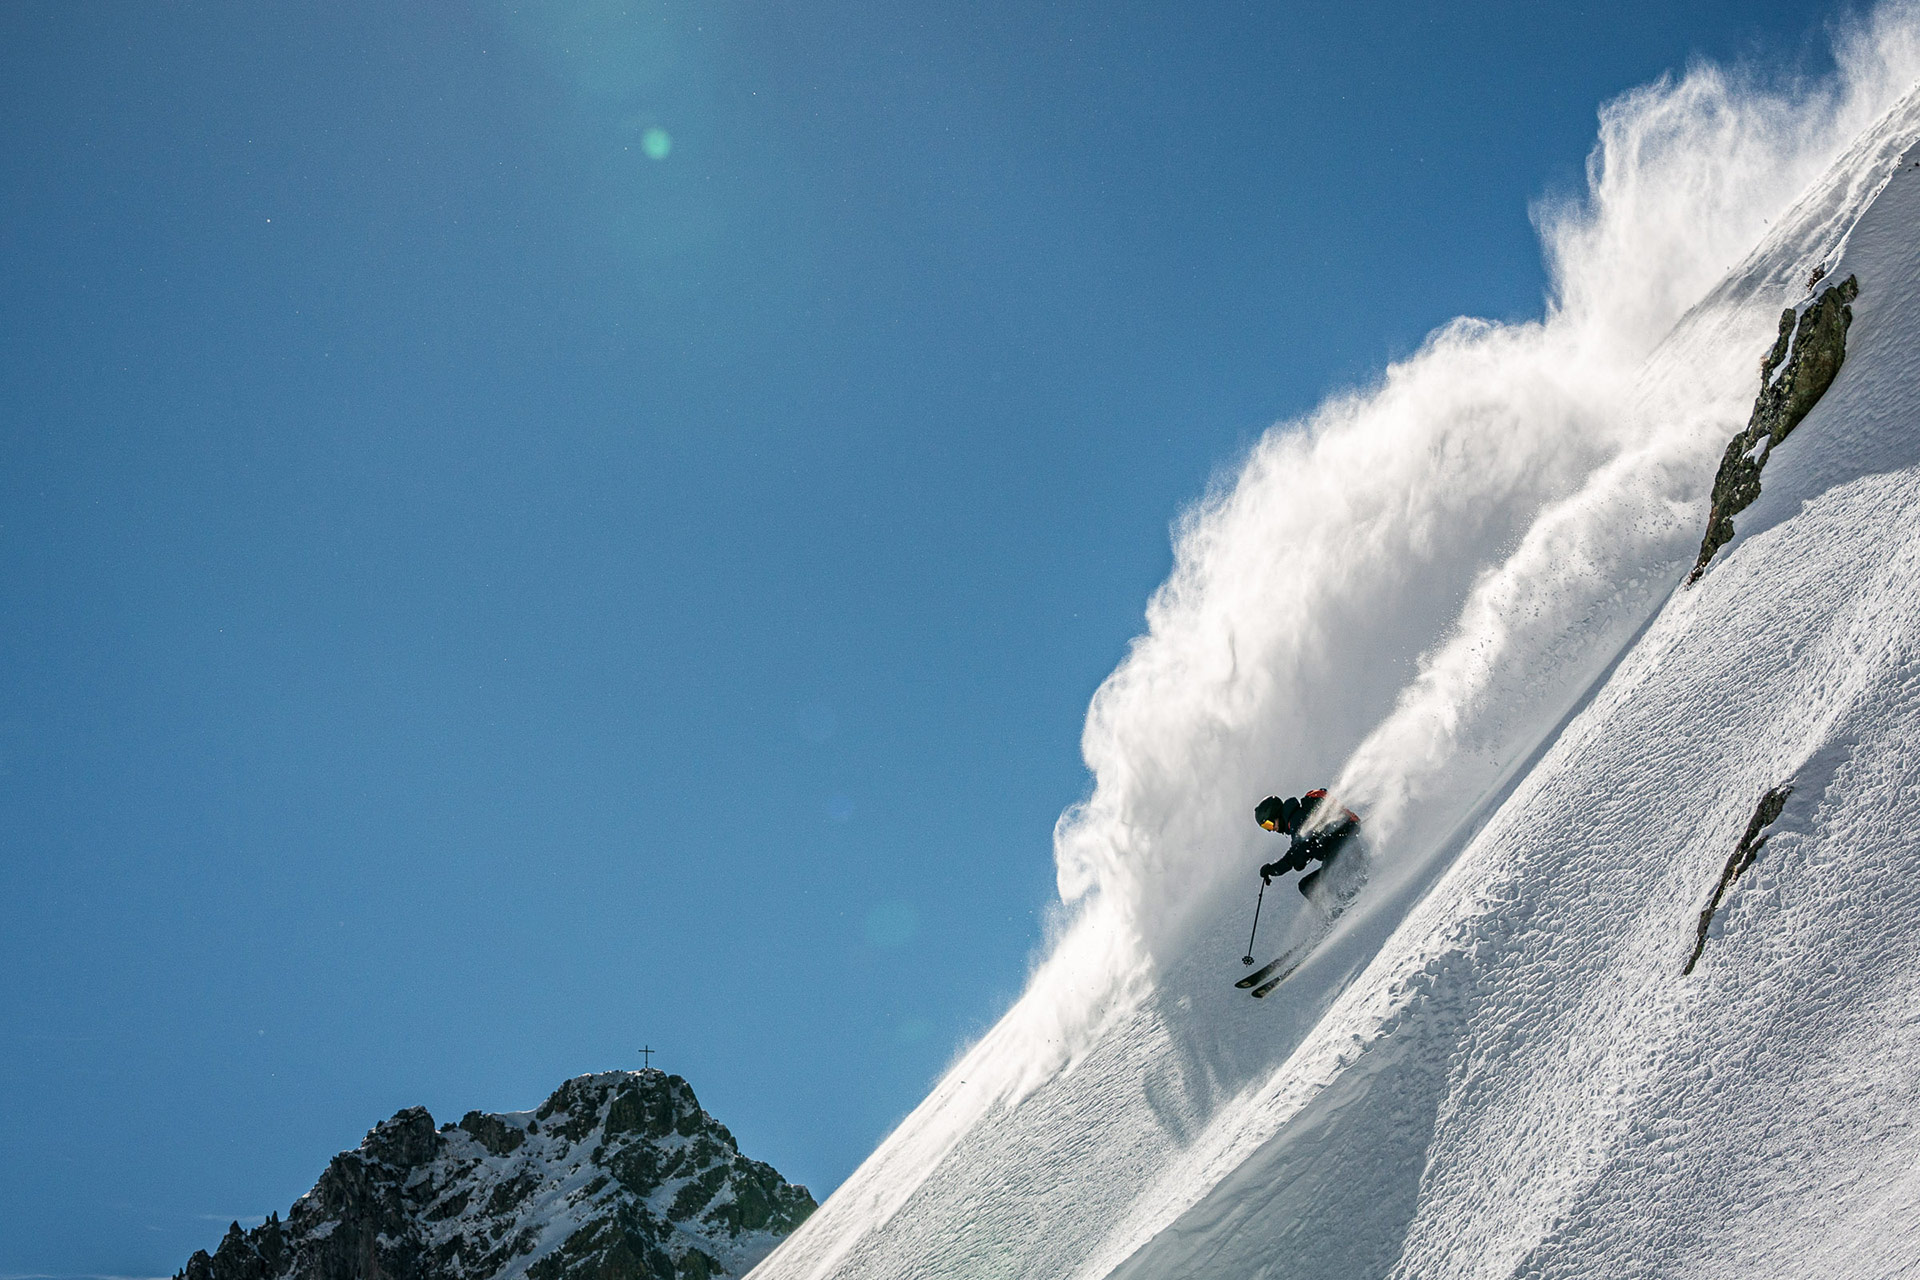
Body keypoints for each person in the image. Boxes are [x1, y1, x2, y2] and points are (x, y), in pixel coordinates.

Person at [1256, 790, 1361, 897]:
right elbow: (1302, 853)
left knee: (1309, 886)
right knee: (1307, 885)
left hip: (1345, 854)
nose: (1272, 829)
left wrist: (1273, 869)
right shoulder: (1297, 819)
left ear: (1275, 814)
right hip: (1343, 852)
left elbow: (1296, 853)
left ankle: (1345, 906)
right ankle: (1342, 906)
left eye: (1269, 824)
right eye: (1266, 827)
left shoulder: (1297, 820)